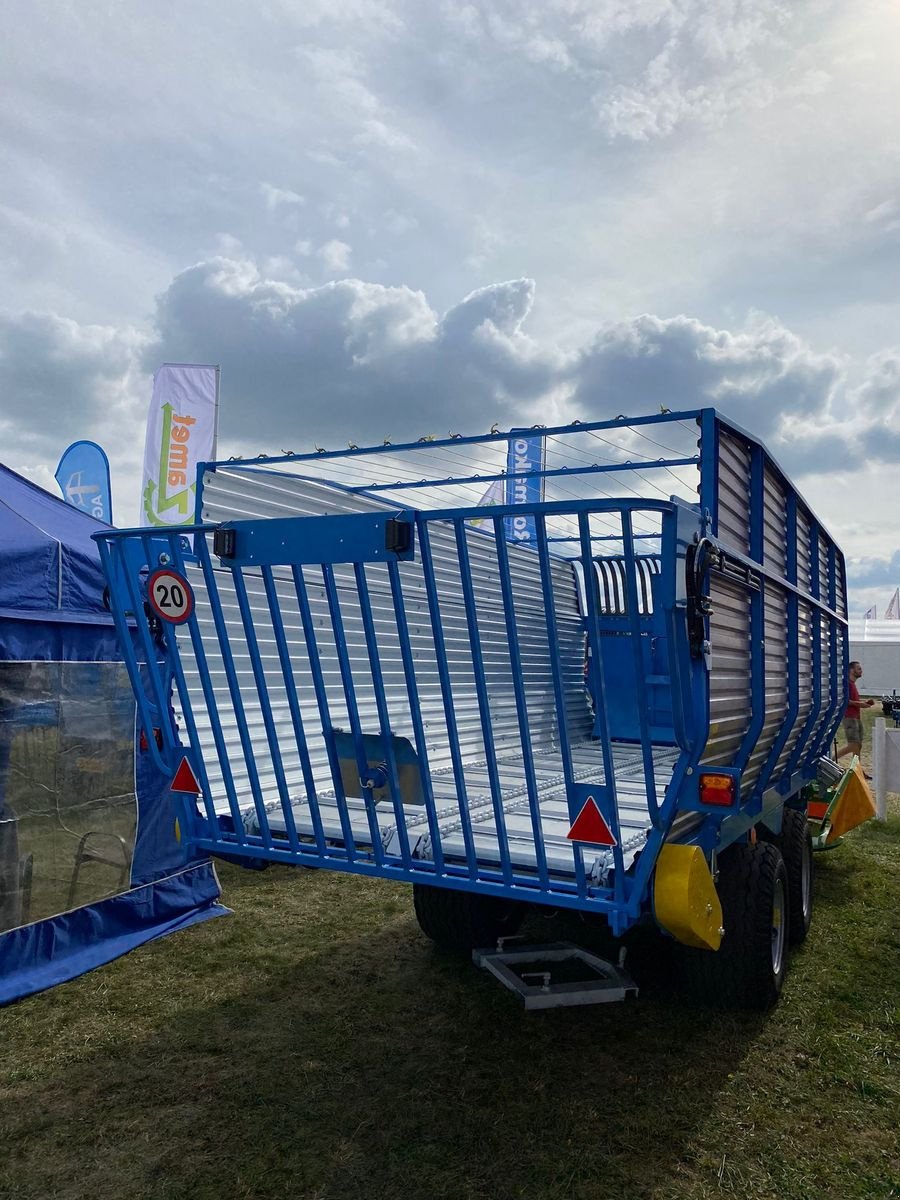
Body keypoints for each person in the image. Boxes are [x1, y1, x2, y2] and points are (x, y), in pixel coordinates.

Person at [837, 660, 874, 766]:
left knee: (858, 745)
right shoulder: (847, 684)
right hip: (849, 718)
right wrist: (861, 704)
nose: (861, 671)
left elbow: (853, 700)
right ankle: (832, 759)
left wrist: (863, 703)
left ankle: (857, 770)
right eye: (859, 669)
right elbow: (846, 701)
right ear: (851, 670)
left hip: (856, 717)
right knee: (853, 745)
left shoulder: (852, 684)